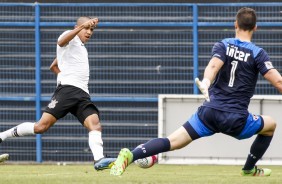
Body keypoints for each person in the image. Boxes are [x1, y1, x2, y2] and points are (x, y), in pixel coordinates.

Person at [110, 7, 282, 176]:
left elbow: (213, 66)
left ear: (235, 24)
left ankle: (131, 155)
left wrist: (206, 82)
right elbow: (278, 82)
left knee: (172, 141)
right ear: (255, 27)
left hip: (209, 112)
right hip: (236, 119)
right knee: (270, 125)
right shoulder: (259, 54)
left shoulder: (224, 44)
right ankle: (249, 169)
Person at [0, 16, 115, 170]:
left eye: (91, 29)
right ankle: (3, 135)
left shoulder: (79, 47)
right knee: (41, 127)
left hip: (82, 94)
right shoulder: (69, 37)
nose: (88, 32)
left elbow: (53, 65)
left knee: (95, 125)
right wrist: (65, 81)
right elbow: (60, 41)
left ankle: (99, 159)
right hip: (67, 92)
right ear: (77, 27)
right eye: (86, 28)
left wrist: (62, 74)